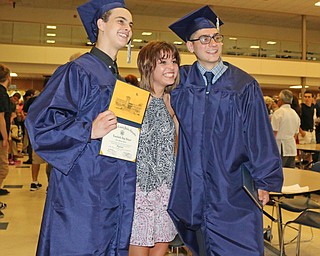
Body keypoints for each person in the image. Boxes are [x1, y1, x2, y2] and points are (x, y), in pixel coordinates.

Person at [168, 6, 283, 256]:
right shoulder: (181, 82)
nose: (212, 44)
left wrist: (265, 180)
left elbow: (259, 136)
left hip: (232, 190)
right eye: (204, 39)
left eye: (217, 37)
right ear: (190, 46)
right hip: (194, 190)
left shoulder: (243, 85)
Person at [25, 0, 135, 255]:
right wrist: (88, 130)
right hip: (82, 187)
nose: (128, 28)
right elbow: (40, 123)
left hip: (113, 184)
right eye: (120, 20)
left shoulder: (117, 80)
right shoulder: (78, 71)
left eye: (130, 24)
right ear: (101, 24)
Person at [128, 41, 180, 256]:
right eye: (164, 62)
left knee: (160, 250)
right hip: (139, 190)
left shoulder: (173, 101)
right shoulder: (133, 99)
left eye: (175, 61)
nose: (172, 67)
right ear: (148, 66)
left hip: (166, 189)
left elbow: (177, 144)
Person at [271, 90, 300, 168]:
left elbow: (274, 132)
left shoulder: (278, 113)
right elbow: (296, 134)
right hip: (291, 148)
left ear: (281, 100)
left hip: (280, 148)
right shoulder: (295, 114)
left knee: (279, 172)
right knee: (290, 173)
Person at [0, 64, 11, 197]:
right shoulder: (2, 93)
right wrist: (5, 137)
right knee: (3, 168)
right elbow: (1, 117)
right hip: (0, 136)